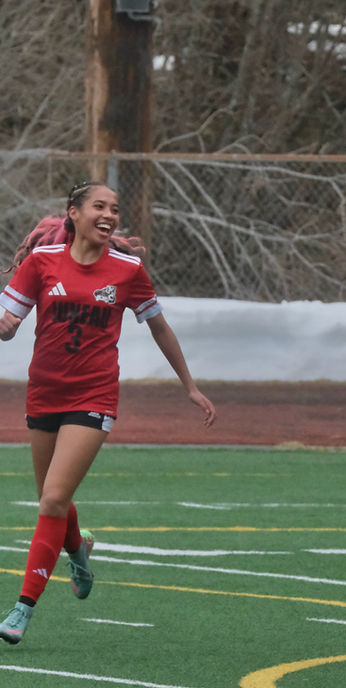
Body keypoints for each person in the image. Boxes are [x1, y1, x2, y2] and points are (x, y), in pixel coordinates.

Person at [0, 182, 216, 645]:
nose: (109, 215)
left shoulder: (128, 270)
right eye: (99, 206)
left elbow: (160, 327)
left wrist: (191, 387)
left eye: (115, 209)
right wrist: (6, 326)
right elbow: (8, 324)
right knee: (53, 501)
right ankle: (78, 549)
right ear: (72, 213)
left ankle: (22, 608)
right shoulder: (41, 263)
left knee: (53, 499)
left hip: (93, 396)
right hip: (43, 395)